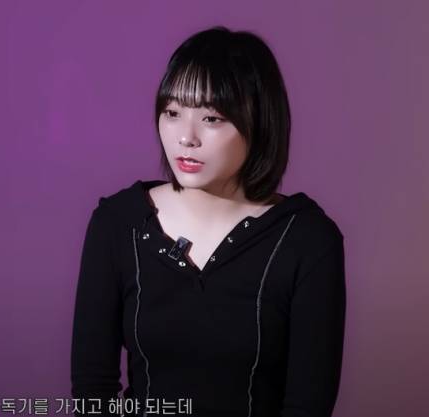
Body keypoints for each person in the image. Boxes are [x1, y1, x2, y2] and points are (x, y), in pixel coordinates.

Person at [70, 26, 346, 417]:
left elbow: (308, 405)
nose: (186, 137)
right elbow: (92, 390)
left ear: (259, 122)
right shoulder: (118, 224)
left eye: (212, 118)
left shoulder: (307, 240)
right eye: (172, 113)